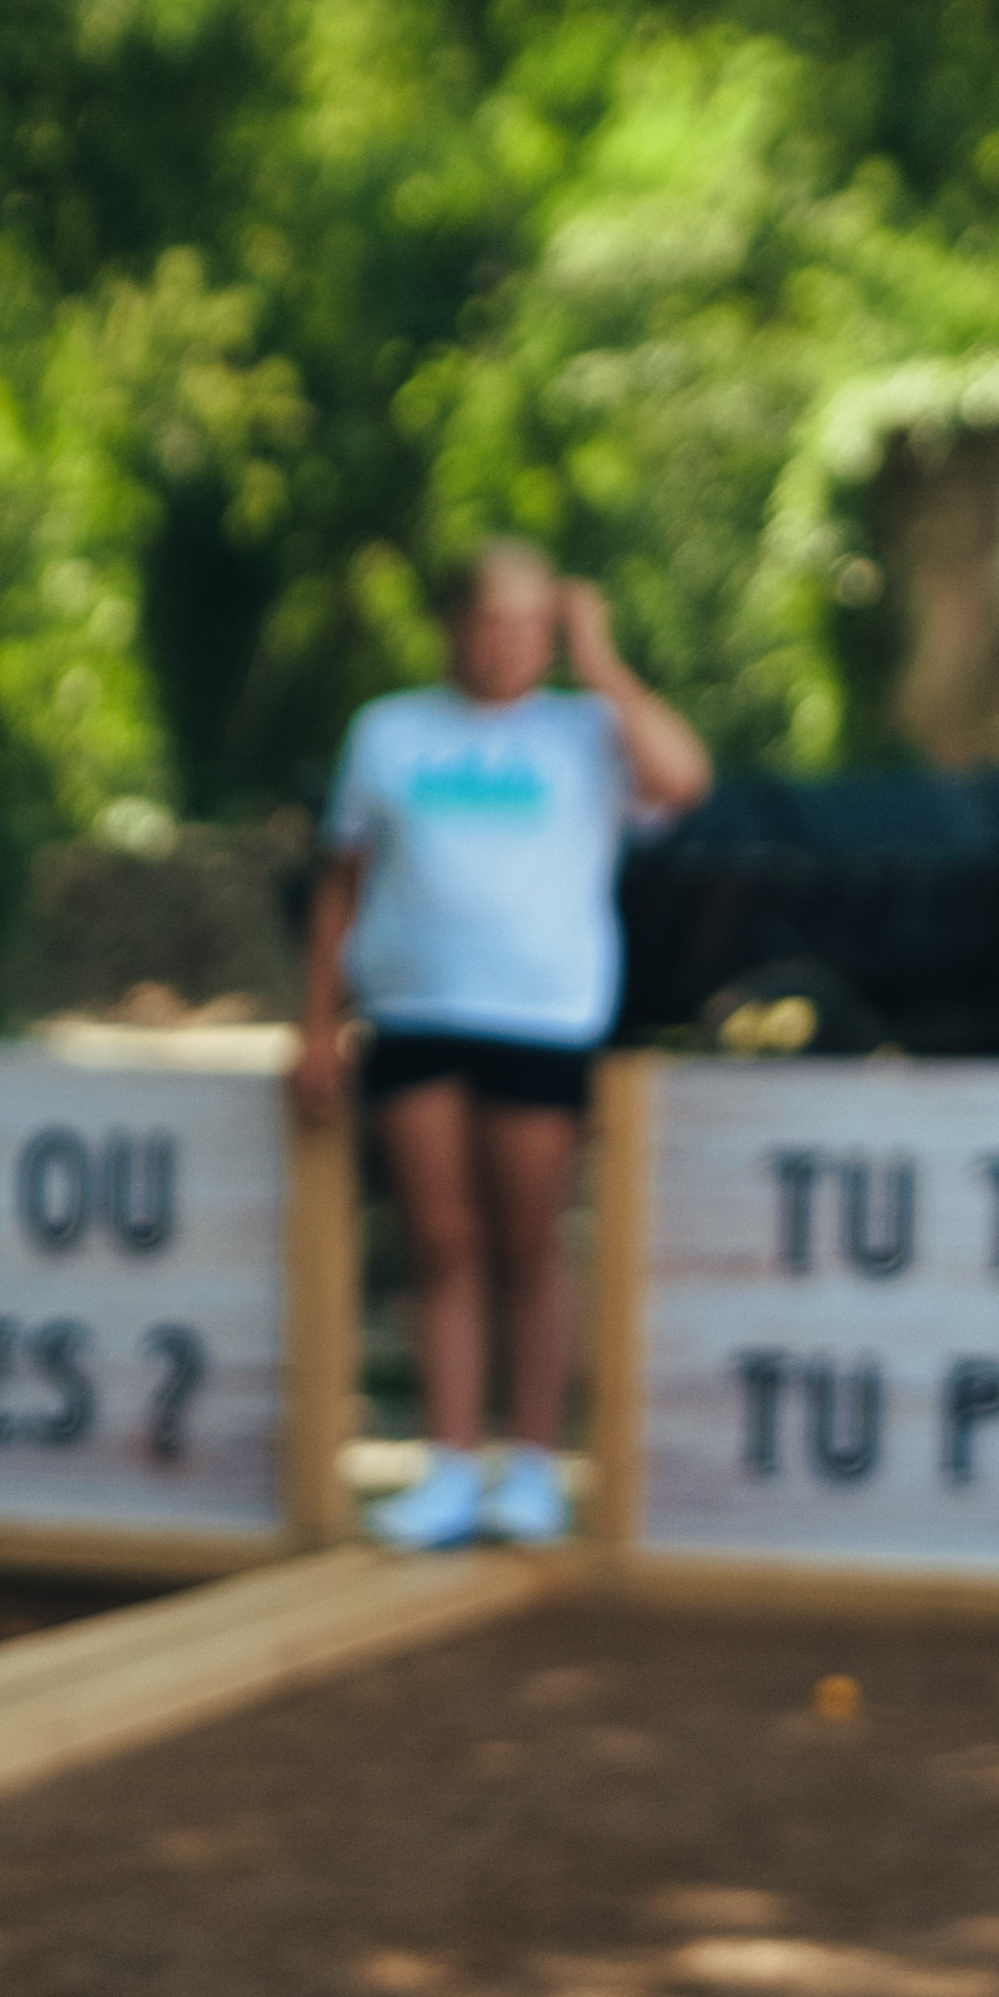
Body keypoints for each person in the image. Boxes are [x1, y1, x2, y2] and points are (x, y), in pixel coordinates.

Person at [294, 536, 708, 1551]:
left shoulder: (586, 732)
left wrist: (601, 663)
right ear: (452, 627)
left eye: (530, 624)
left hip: (542, 1021)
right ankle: (444, 1466)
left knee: (528, 1242)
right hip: (414, 1017)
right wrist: (315, 1022)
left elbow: (684, 779)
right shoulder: (388, 733)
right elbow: (340, 881)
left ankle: (528, 1464)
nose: (506, 643)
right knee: (439, 1243)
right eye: (489, 621)